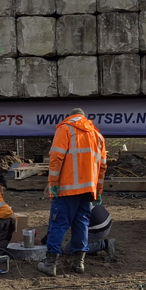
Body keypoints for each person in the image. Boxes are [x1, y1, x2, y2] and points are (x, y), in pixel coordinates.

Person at [38, 108, 107, 276]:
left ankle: (50, 263)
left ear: (71, 117)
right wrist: (98, 191)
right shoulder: (97, 136)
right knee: (81, 224)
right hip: (88, 190)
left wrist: (53, 183)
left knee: (58, 223)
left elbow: (56, 157)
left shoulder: (65, 129)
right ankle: (79, 263)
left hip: (67, 189)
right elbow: (102, 167)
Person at [40, 202, 117, 260]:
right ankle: (92, 248)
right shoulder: (73, 195)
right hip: (105, 221)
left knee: (69, 250)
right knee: (78, 234)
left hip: (99, 228)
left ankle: (104, 244)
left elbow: (59, 227)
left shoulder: (65, 205)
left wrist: (43, 241)